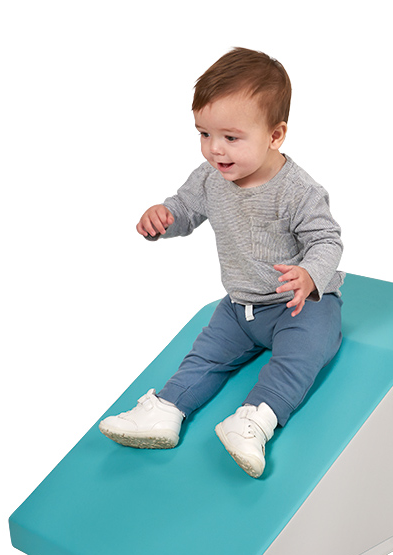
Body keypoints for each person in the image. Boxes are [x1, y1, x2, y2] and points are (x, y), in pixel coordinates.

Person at [99, 48, 344, 478]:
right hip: (240, 307)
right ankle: (166, 410)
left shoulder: (298, 191)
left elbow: (326, 239)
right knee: (204, 356)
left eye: (231, 137)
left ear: (275, 135)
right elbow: (185, 208)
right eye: (204, 134)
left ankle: (254, 420)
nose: (215, 149)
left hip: (297, 305)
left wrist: (309, 275)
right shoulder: (210, 177)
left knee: (301, 356)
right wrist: (164, 217)